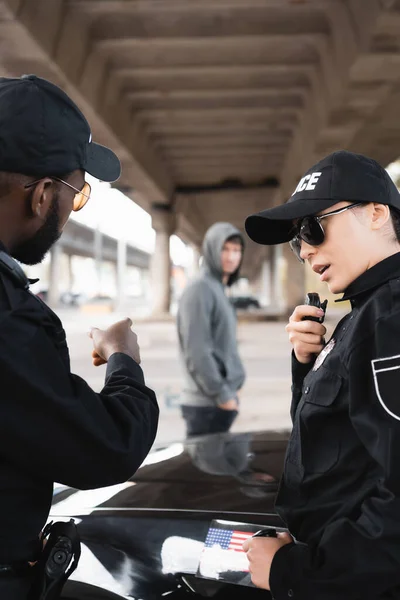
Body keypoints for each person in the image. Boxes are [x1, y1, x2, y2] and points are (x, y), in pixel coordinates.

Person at [0, 74, 159, 599]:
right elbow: (105, 447)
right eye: (78, 193)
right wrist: (123, 359)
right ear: (43, 195)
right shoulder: (10, 318)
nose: (71, 210)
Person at [242, 150, 400, 600]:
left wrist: (298, 572)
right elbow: (333, 448)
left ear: (375, 213)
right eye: (297, 241)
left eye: (313, 227)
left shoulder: (390, 317)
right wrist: (308, 363)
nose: (307, 251)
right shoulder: (366, 312)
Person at [177, 222, 246, 437]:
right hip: (206, 405)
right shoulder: (200, 289)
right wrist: (223, 395)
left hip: (216, 401)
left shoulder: (218, 288)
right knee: (206, 470)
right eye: (224, 249)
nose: (231, 256)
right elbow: (197, 352)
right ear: (211, 250)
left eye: (236, 250)